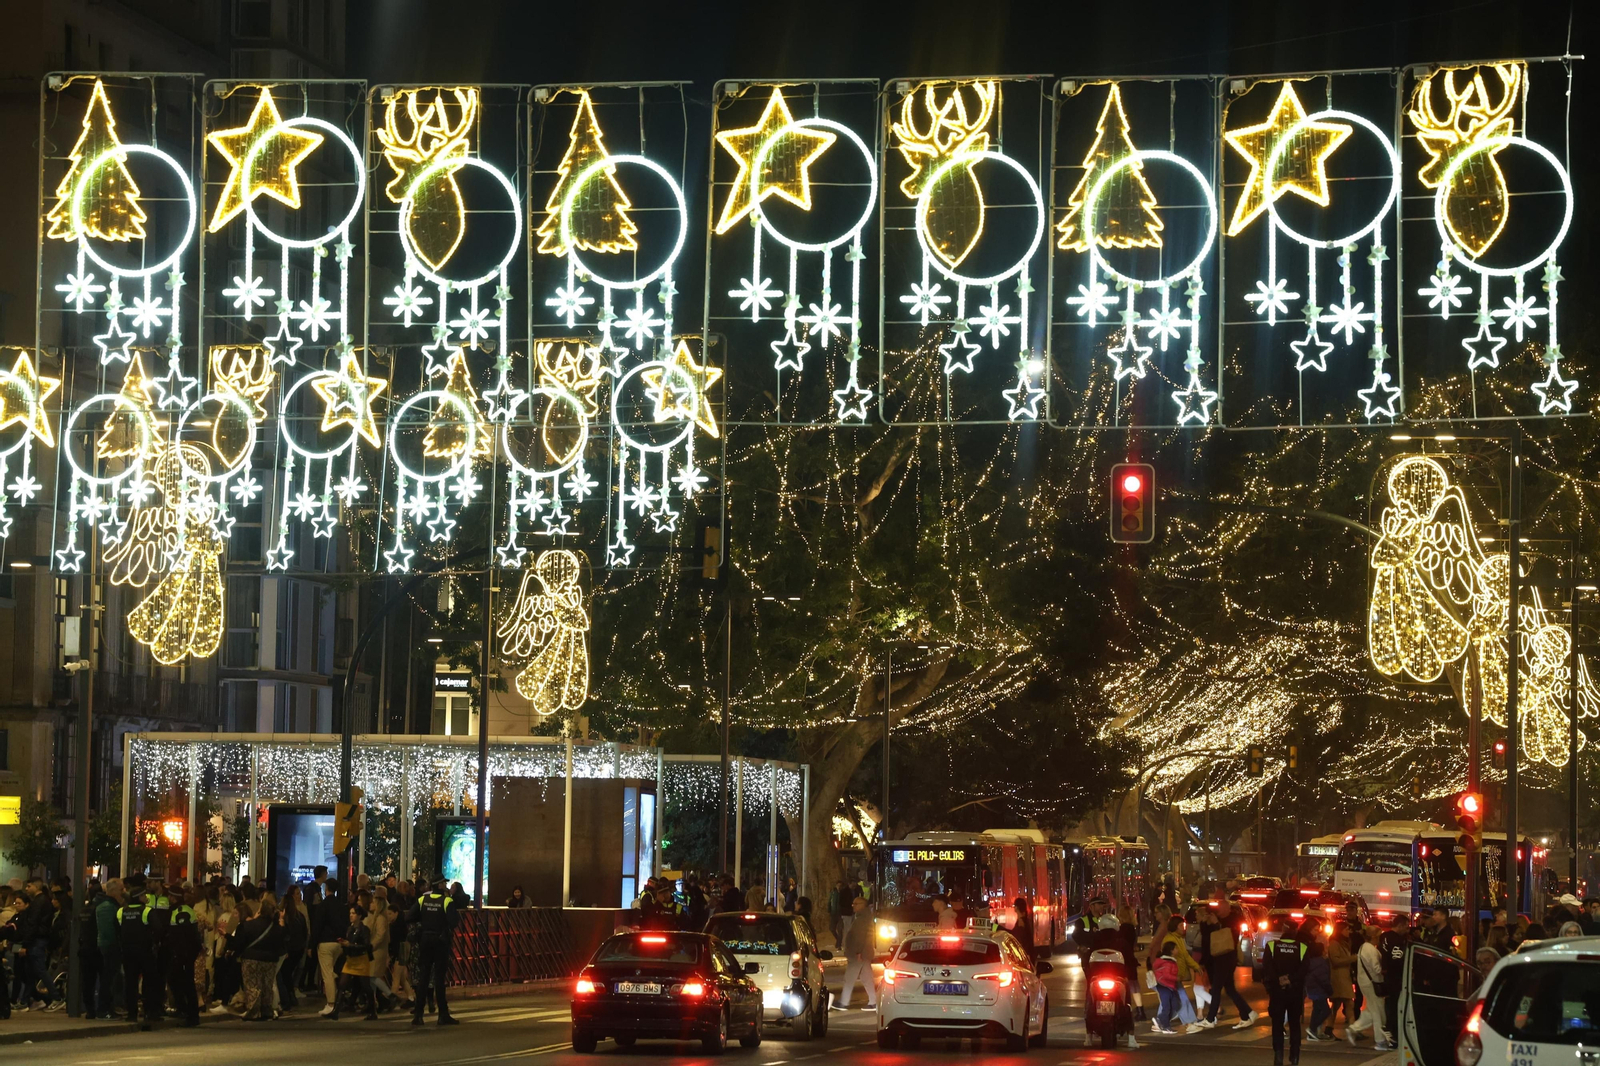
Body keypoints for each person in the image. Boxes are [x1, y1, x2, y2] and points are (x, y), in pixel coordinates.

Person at [1195, 903, 1257, 1030]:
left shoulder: (1230, 920)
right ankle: (1247, 1014)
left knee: (1216, 989)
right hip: (1218, 960)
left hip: (1225, 959)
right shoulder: (1210, 923)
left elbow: (1226, 938)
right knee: (1229, 989)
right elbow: (1206, 943)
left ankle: (1211, 1019)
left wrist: (1216, 924)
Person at [409, 878, 461, 1026]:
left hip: (425, 940)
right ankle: (442, 1015)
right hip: (440, 941)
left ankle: (418, 1015)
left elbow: (409, 917)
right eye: (444, 883)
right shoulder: (446, 901)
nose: (445, 885)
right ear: (439, 885)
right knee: (439, 978)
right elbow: (454, 922)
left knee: (423, 977)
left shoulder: (422, 899)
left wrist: (424, 922)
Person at [1263, 922, 1308, 1066]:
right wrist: (1291, 979)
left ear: (1283, 930)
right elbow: (1304, 970)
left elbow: (1267, 966)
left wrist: (1278, 979)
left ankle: (1278, 1056)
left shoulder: (1272, 946)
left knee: (1277, 1024)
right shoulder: (1302, 947)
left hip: (1277, 991)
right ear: (1295, 931)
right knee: (1295, 1024)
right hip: (1295, 992)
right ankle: (1294, 1057)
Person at [116, 879, 157, 1029]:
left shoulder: (122, 912)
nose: (146, 897)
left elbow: (118, 930)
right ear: (140, 897)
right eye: (144, 895)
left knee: (130, 983)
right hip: (145, 953)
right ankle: (148, 1012)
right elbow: (157, 929)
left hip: (127, 953)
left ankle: (131, 1014)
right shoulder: (147, 911)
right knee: (147, 984)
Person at [1345, 927, 1391, 1051]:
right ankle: (1380, 1041)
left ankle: (1354, 1028)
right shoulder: (1371, 950)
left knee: (1371, 1010)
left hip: (1365, 982)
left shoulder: (1363, 947)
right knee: (1378, 1012)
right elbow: (1377, 969)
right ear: (1374, 936)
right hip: (1373, 983)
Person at [329, 904, 376, 1021]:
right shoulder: (350, 928)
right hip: (350, 960)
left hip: (361, 959)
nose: (351, 916)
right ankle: (335, 1011)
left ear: (359, 916)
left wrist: (350, 945)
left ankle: (373, 1010)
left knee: (366, 986)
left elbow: (366, 945)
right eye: (350, 913)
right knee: (342, 984)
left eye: (353, 913)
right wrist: (345, 944)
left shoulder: (364, 929)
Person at [165, 888, 202, 1026]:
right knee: (176, 979)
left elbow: (184, 935)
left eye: (169, 896)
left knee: (185, 982)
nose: (168, 898)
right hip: (183, 953)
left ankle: (190, 1014)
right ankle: (185, 1010)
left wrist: (181, 953)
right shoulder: (179, 910)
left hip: (184, 954)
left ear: (174, 897)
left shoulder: (182, 912)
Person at [835, 895, 876, 1009]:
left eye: (856, 904)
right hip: (863, 953)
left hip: (859, 954)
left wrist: (858, 952)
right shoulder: (863, 917)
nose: (853, 906)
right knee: (866, 978)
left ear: (863, 905)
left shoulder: (862, 919)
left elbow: (859, 937)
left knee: (850, 977)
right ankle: (873, 1002)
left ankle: (844, 1002)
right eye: (853, 904)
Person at [1377, 913, 1410, 1047]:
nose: (1407, 930)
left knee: (1390, 1004)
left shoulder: (1384, 937)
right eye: (1406, 927)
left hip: (1386, 976)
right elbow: (1397, 959)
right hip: (1396, 977)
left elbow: (1382, 955)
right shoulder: (1398, 941)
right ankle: (1392, 1032)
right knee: (1396, 1005)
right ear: (1400, 925)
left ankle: (1389, 1029)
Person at [314, 881, 345, 1016]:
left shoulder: (323, 906)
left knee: (327, 974)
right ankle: (337, 999)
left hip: (325, 942)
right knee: (332, 972)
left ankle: (331, 1003)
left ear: (326, 888)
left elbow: (317, 926)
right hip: (339, 942)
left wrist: (311, 945)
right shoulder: (341, 905)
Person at [278, 885, 309, 1011]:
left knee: (283, 974)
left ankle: (287, 998)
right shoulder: (300, 915)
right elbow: (305, 932)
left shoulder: (285, 918)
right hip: (298, 949)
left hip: (288, 950)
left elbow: (283, 934)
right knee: (287, 973)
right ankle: (290, 996)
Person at [1323, 922, 1356, 1038]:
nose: (1349, 932)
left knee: (1339, 1004)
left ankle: (1329, 1027)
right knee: (1348, 1003)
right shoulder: (1334, 944)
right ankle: (1353, 1030)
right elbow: (1336, 961)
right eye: (1347, 929)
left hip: (1344, 977)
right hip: (1338, 978)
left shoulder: (1344, 943)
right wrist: (1352, 959)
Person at [1302, 923, 1332, 1044]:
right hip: (1320, 991)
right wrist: (1330, 990)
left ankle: (1312, 1032)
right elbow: (1323, 979)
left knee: (1316, 1009)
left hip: (1312, 990)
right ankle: (1312, 1028)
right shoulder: (1321, 963)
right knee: (1326, 1011)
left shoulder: (1310, 962)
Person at [1151, 940, 1182, 1034]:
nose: (1177, 950)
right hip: (1164, 986)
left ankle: (1160, 1020)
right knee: (1167, 1006)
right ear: (1172, 951)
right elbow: (1166, 975)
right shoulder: (1168, 962)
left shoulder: (1170, 961)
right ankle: (1166, 1026)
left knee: (1175, 1005)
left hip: (1169, 986)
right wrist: (1176, 978)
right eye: (1176, 948)